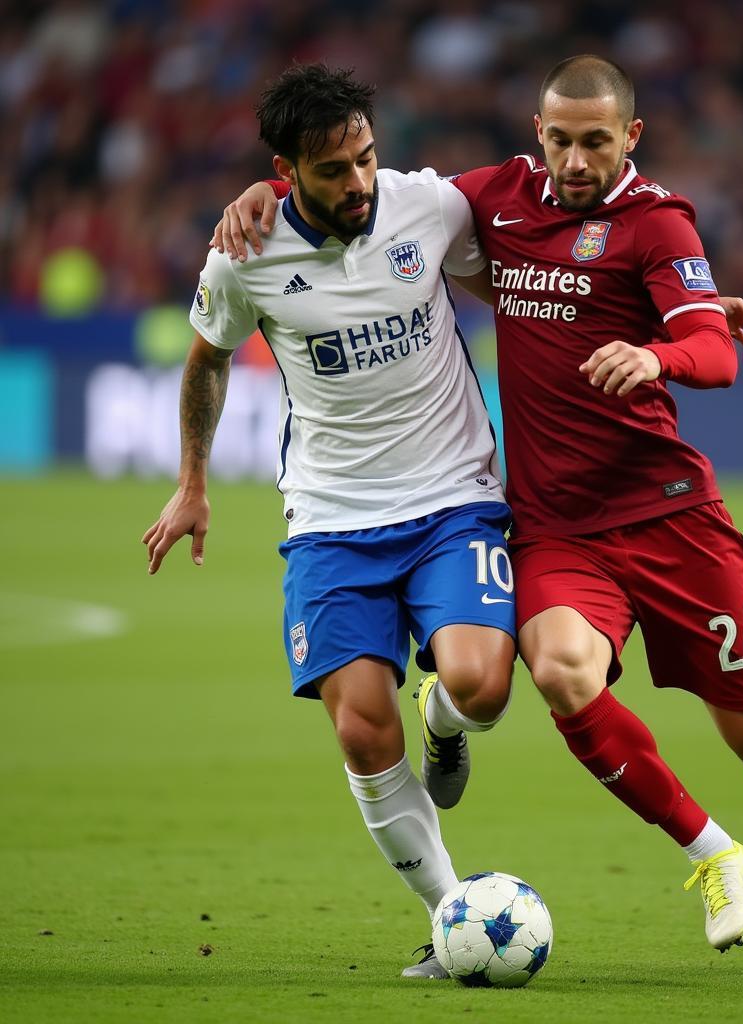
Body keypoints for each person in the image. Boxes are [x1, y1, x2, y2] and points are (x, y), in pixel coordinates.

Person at [215, 57, 743, 974]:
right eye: (558, 139)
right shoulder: (500, 199)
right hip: (557, 526)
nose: (573, 160)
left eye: (595, 141)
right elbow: (356, 194)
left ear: (629, 138)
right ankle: (715, 856)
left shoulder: (657, 221)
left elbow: (715, 354)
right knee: (559, 671)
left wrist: (661, 352)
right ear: (538, 130)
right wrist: (258, 189)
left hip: (673, 518)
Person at [142, 64, 519, 980]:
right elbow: (207, 361)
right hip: (332, 520)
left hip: (452, 496)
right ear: (287, 171)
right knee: (359, 729)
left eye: (365, 158)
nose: (358, 183)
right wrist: (192, 481)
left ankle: (447, 723)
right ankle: (454, 918)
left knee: (482, 688)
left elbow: (530, 260)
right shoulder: (245, 252)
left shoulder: (424, 207)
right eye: (332, 170)